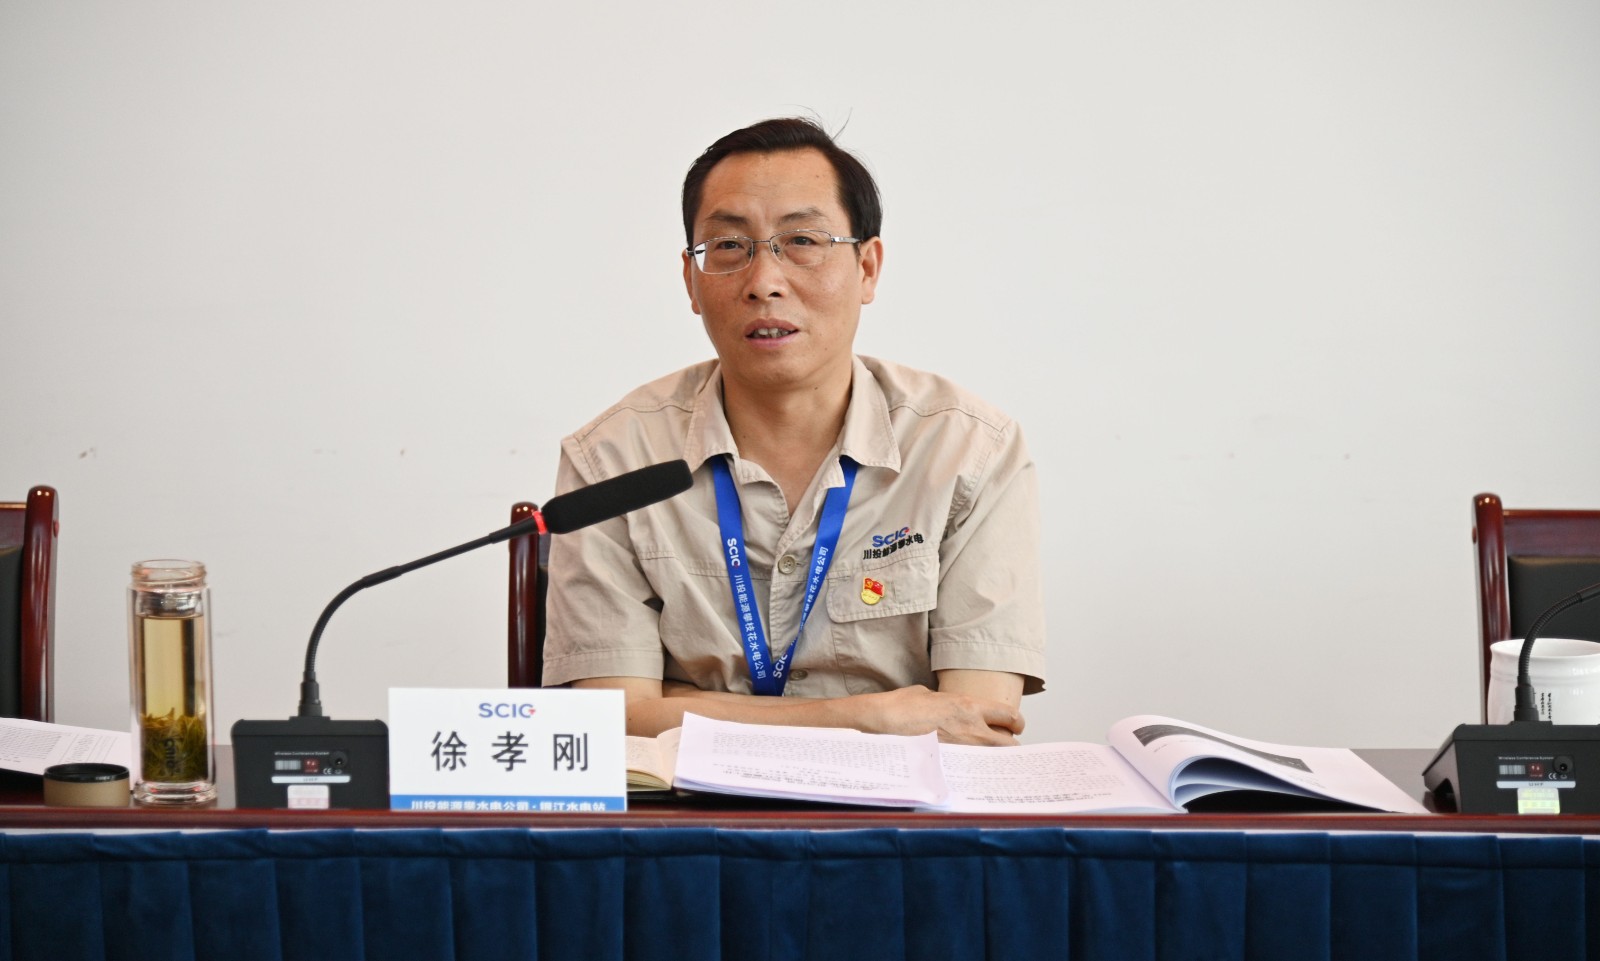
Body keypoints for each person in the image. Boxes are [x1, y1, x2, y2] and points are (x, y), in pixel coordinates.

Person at [542, 118, 1045, 745]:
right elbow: (609, 722)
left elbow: (975, 726)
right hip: (687, 805)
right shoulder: (613, 458)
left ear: (867, 267)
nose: (764, 283)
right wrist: (867, 716)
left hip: (898, 805)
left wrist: (679, 707)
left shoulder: (969, 451)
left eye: (802, 240)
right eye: (729, 246)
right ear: (691, 280)